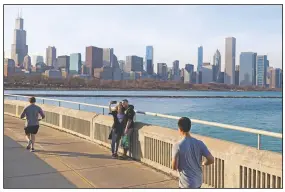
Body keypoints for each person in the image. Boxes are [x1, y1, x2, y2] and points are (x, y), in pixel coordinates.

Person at [172, 117, 214, 188]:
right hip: (198, 182)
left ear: (179, 129)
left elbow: (174, 167)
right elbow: (211, 159)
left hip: (186, 184)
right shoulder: (199, 143)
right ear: (190, 127)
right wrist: (203, 163)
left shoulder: (177, 145)